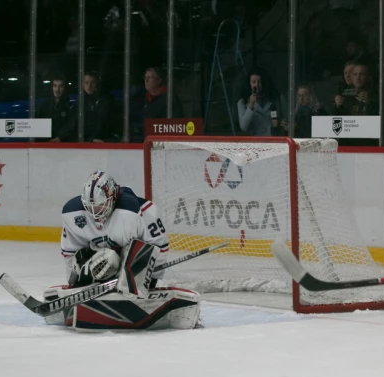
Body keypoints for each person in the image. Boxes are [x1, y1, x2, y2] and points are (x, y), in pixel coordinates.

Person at [50, 171, 201, 331]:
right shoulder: (73, 214)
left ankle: (130, 291)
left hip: (131, 270)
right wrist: (73, 286)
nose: (95, 212)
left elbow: (159, 247)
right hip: (102, 264)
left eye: (100, 205)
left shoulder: (140, 212)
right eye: (90, 206)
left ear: (113, 198)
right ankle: (93, 290)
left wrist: (150, 280)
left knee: (130, 253)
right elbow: (69, 251)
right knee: (92, 257)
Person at [237, 68, 286, 136]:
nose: (256, 85)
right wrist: (251, 105)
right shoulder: (242, 102)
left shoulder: (277, 98)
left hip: (276, 141)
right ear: (249, 84)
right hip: (258, 143)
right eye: (253, 82)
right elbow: (244, 127)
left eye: (259, 82)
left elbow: (287, 119)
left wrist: (282, 123)